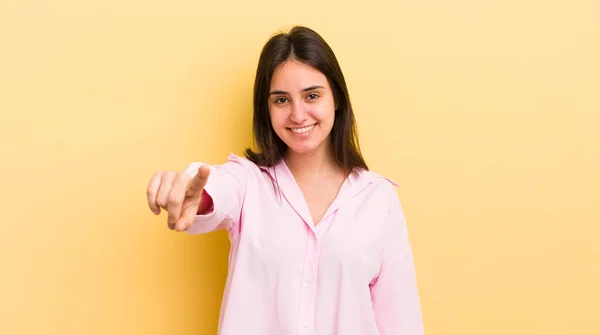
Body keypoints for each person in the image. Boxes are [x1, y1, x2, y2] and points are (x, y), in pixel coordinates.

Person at [146, 26, 424, 335]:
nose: (298, 114)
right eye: (281, 100)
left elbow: (401, 320)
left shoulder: (378, 198)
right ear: (266, 109)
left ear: (337, 100)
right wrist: (193, 195)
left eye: (312, 96)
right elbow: (218, 190)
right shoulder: (248, 183)